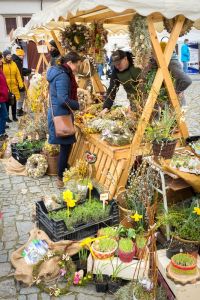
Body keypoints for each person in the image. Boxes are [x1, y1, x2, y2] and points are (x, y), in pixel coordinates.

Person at [47, 51, 81, 188]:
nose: (77, 68)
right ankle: (60, 177)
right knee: (66, 146)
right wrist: (78, 105)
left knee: (65, 145)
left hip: (58, 113)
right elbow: (62, 99)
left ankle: (62, 172)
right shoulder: (63, 76)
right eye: (77, 65)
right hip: (62, 116)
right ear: (70, 63)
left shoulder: (58, 72)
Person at [101, 50, 141, 114]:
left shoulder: (138, 61)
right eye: (115, 64)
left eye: (119, 63)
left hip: (149, 96)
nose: (117, 66)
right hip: (133, 101)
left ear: (125, 59)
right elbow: (112, 89)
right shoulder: (116, 71)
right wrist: (106, 107)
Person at [160, 42, 192, 106]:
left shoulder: (172, 62)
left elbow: (187, 80)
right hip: (172, 102)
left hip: (176, 103)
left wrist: (175, 92)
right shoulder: (169, 61)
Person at [2, 49, 24, 122]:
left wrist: (20, 83)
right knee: (7, 103)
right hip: (6, 87)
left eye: (10, 55)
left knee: (14, 102)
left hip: (14, 86)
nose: (9, 56)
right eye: (8, 55)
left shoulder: (14, 63)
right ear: (4, 56)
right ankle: (7, 117)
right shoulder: (2, 64)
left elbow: (18, 74)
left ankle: (14, 116)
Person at [12, 47, 32, 116]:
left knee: (20, 95)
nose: (23, 57)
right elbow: (20, 72)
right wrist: (30, 71)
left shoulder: (16, 61)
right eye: (22, 56)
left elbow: (21, 70)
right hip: (18, 82)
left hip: (17, 81)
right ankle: (19, 110)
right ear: (19, 55)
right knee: (21, 95)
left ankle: (19, 109)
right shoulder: (17, 62)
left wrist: (29, 70)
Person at [0, 52, 8, 140]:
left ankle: (2, 132)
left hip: (3, 97)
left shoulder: (0, 70)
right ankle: (1, 133)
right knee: (4, 115)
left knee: (2, 115)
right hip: (0, 98)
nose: (1, 61)